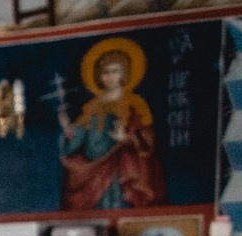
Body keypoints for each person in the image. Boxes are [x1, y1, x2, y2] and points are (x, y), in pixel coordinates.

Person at [59, 38, 165, 211]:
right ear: (99, 76)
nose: (110, 77)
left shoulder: (135, 104)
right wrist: (68, 130)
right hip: (93, 170)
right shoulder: (91, 106)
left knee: (119, 205)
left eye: (115, 71)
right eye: (105, 72)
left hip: (121, 167)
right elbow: (80, 137)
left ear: (124, 73)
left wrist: (128, 138)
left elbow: (147, 140)